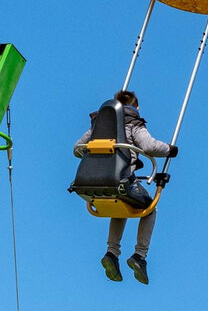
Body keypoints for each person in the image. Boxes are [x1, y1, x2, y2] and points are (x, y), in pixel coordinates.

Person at [72, 90, 177, 287]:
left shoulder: (98, 124)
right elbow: (150, 146)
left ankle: (112, 253)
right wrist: (170, 150)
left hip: (92, 181)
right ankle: (139, 255)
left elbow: (78, 148)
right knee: (149, 209)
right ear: (136, 107)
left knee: (120, 205)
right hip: (121, 180)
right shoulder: (133, 122)